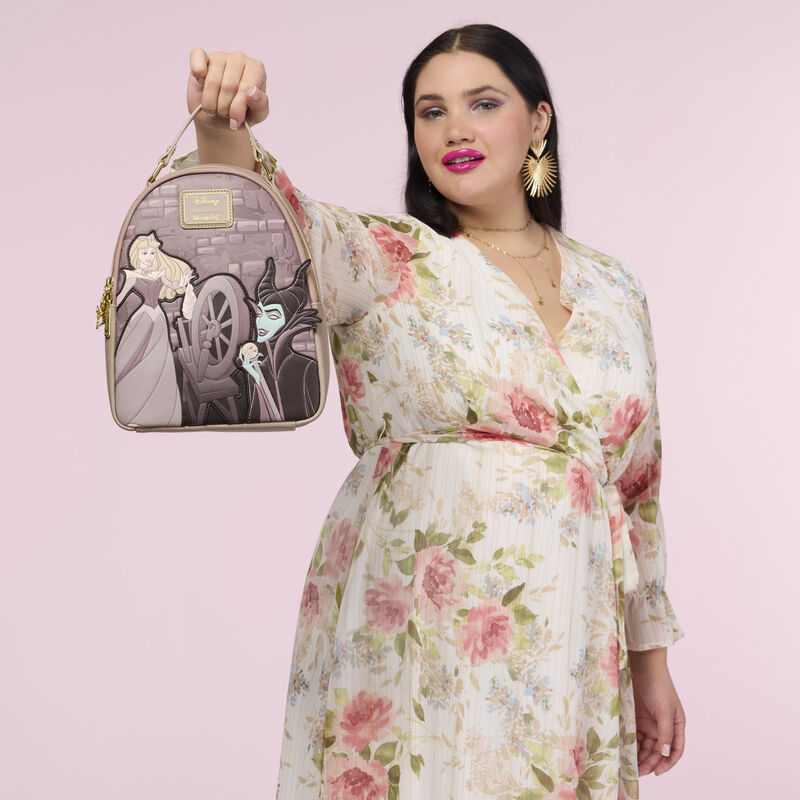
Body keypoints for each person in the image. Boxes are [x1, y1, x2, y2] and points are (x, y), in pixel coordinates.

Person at [171, 23, 686, 798]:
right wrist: (223, 129)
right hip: (415, 624)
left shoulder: (615, 289)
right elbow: (278, 227)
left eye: (483, 103)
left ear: (538, 121)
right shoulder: (389, 257)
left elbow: (638, 486)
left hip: (571, 635)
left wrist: (651, 664)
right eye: (430, 111)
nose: (455, 130)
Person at [114, 232, 196, 427]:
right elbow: (119, 299)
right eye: (144, 253)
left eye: (151, 253)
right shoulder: (132, 276)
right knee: (135, 359)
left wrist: (183, 283)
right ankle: (135, 406)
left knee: (160, 361)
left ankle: (161, 407)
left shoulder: (159, 273)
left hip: (157, 318)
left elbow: (174, 285)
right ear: (136, 254)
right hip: (143, 319)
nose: (149, 257)